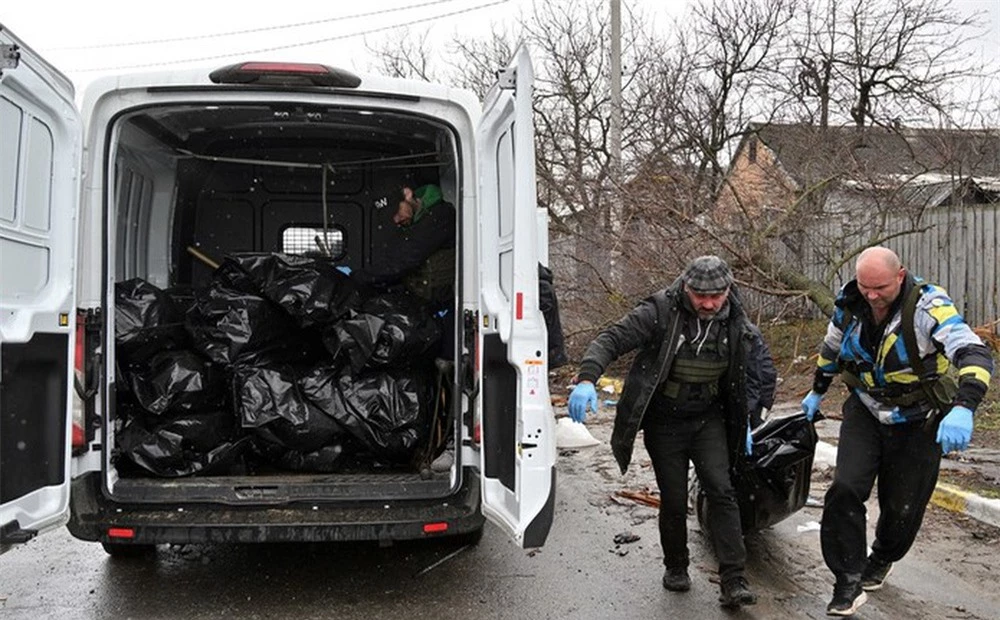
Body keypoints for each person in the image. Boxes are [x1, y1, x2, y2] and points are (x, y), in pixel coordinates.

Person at [800, 246, 994, 617]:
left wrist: (964, 407)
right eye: (865, 286)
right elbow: (832, 347)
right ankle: (847, 580)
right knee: (844, 488)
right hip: (866, 409)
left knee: (902, 507)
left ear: (900, 276)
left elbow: (973, 352)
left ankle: (882, 557)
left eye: (880, 288)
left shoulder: (928, 307)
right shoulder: (850, 302)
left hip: (917, 418)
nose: (871, 296)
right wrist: (817, 390)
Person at [568, 255, 765, 609]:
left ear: (728, 290)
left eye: (715, 296)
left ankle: (734, 578)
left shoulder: (737, 320)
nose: (707, 304)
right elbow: (612, 338)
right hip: (666, 420)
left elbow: (755, 371)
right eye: (699, 295)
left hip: (709, 418)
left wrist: (751, 416)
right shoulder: (660, 310)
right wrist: (586, 378)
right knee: (673, 498)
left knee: (721, 491)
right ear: (685, 287)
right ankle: (676, 565)